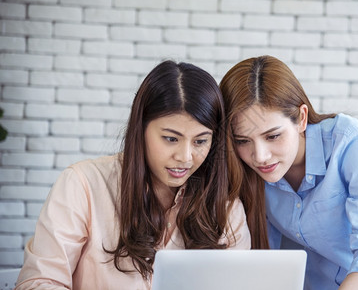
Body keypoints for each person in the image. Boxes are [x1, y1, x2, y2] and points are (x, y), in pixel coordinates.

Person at [16, 60, 251, 289]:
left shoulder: (227, 209)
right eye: (171, 139)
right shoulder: (83, 184)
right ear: (141, 129)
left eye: (200, 141)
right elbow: (38, 282)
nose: (185, 157)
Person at [219, 55, 358, 290]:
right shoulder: (247, 170)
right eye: (243, 140)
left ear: (302, 118)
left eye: (273, 136)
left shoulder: (356, 146)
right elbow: (266, 261)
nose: (260, 156)